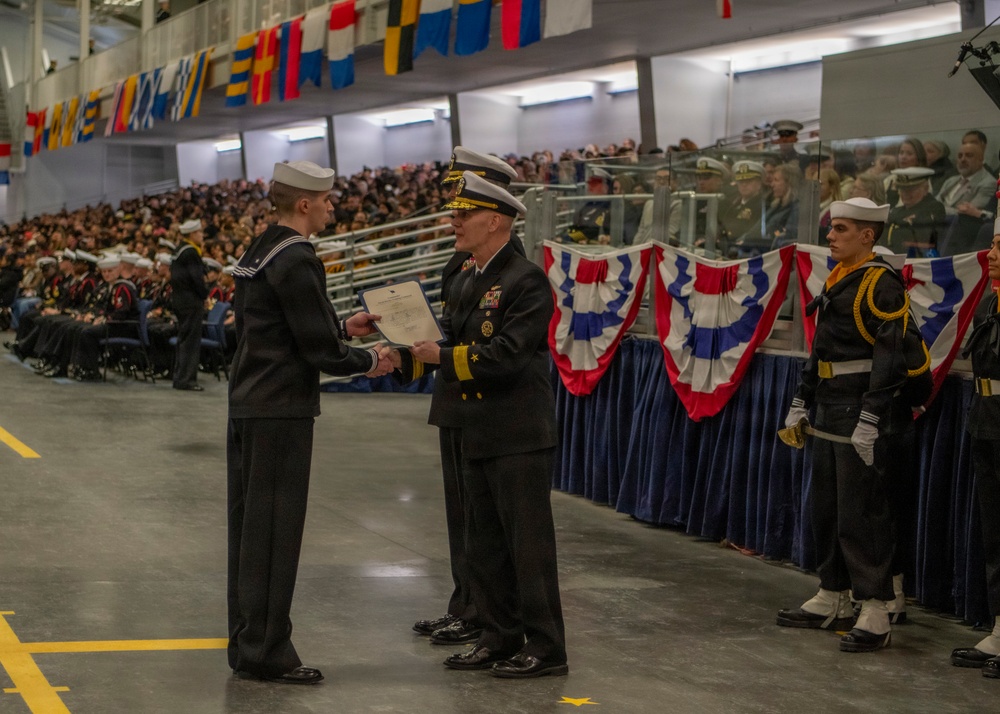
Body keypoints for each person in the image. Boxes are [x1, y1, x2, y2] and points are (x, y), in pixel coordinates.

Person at [393, 172, 567, 678]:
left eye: (464, 214)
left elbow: (508, 354)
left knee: (527, 547)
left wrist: (442, 357)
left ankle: (547, 646)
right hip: (477, 427)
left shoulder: (526, 279)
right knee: (484, 544)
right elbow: (446, 337)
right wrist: (400, 353)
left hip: (517, 432)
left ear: (495, 221)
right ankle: (498, 635)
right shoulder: (470, 276)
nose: (455, 222)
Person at [226, 160, 392, 684]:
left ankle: (247, 641)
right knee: (276, 532)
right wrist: (370, 359)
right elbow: (317, 349)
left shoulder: (262, 249)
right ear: (304, 203)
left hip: (251, 402)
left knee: (249, 532)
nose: (330, 208)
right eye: (325, 200)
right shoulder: (298, 256)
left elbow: (278, 327)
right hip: (282, 408)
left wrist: (342, 325)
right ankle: (267, 651)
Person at [777, 197, 927, 653]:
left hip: (860, 407)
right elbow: (821, 347)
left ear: (867, 235)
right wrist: (802, 399)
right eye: (831, 228)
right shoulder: (841, 278)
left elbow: (890, 358)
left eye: (840, 229)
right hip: (829, 403)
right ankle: (833, 593)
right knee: (826, 506)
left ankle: (876, 607)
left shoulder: (881, 284)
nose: (830, 235)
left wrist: (871, 416)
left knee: (862, 512)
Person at [410, 147, 520, 649]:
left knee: (480, 518)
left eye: (466, 193)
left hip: (480, 399)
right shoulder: (464, 258)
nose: (456, 205)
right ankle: (465, 602)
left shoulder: (504, 260)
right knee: (462, 515)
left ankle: (481, 611)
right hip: (455, 395)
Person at [952, 223, 1000, 677]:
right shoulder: (990, 301)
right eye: (992, 244)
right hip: (987, 421)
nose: (992, 253)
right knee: (994, 533)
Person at [936, 141, 996, 255]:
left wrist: (940, 209)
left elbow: (965, 212)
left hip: (961, 231)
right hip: (939, 227)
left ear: (981, 159)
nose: (963, 159)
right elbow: (933, 206)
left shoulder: (988, 183)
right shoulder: (951, 180)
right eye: (960, 156)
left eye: (969, 155)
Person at [170, 219, 208, 391]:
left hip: (179, 300)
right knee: (191, 342)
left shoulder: (178, 250)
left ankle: (179, 377)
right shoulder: (191, 252)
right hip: (191, 301)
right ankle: (187, 380)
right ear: (192, 234)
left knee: (183, 339)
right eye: (199, 232)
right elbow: (197, 279)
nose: (202, 235)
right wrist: (204, 295)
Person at [885, 167, 945, 257]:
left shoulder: (934, 207)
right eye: (902, 189)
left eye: (911, 189)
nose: (905, 193)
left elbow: (920, 234)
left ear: (925, 189)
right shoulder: (896, 211)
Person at [720, 160, 767, 256]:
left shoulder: (762, 205)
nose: (744, 184)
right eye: (741, 181)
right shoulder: (734, 203)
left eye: (748, 181)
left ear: (759, 183)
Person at [765, 163, 801, 248]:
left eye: (776, 180)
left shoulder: (797, 208)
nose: (772, 184)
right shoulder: (775, 205)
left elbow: (789, 236)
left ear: (789, 183)